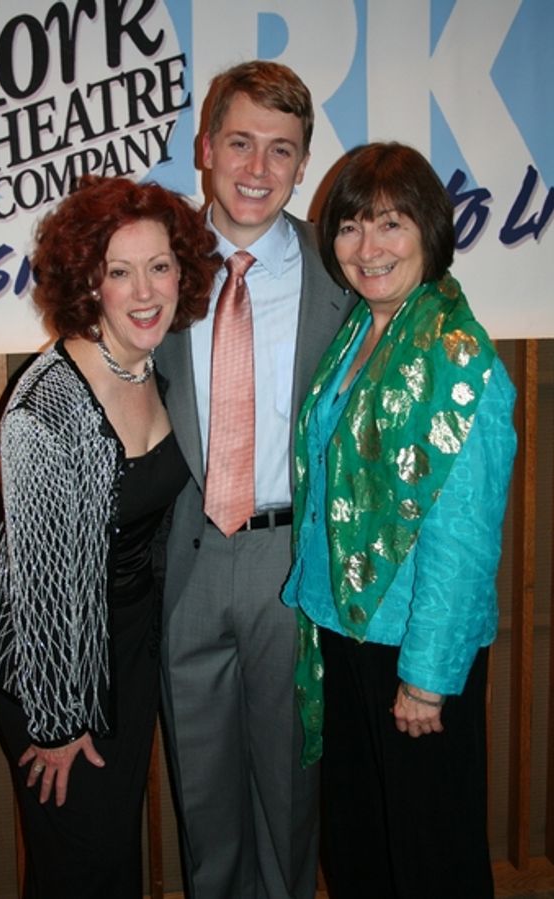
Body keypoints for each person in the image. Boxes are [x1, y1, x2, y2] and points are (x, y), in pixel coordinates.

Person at [0, 174, 220, 899]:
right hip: (47, 659)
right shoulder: (44, 409)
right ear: (89, 282)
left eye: (160, 265)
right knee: (78, 860)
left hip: (130, 637)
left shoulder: (166, 362)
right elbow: (45, 587)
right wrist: (55, 722)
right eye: (119, 270)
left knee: (111, 846)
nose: (145, 290)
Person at [281, 142, 517, 899]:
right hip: (347, 627)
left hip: (413, 646)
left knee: (428, 853)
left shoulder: (457, 358)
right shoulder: (365, 331)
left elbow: (465, 539)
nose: (367, 247)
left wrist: (426, 679)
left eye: (390, 224)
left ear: (429, 230)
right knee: (359, 842)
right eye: (350, 226)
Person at [155, 61, 354, 899]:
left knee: (288, 790)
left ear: (304, 164)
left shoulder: (343, 270)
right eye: (240, 142)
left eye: (282, 150)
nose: (257, 169)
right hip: (185, 558)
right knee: (203, 795)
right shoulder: (153, 260)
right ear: (205, 147)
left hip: (290, 566)